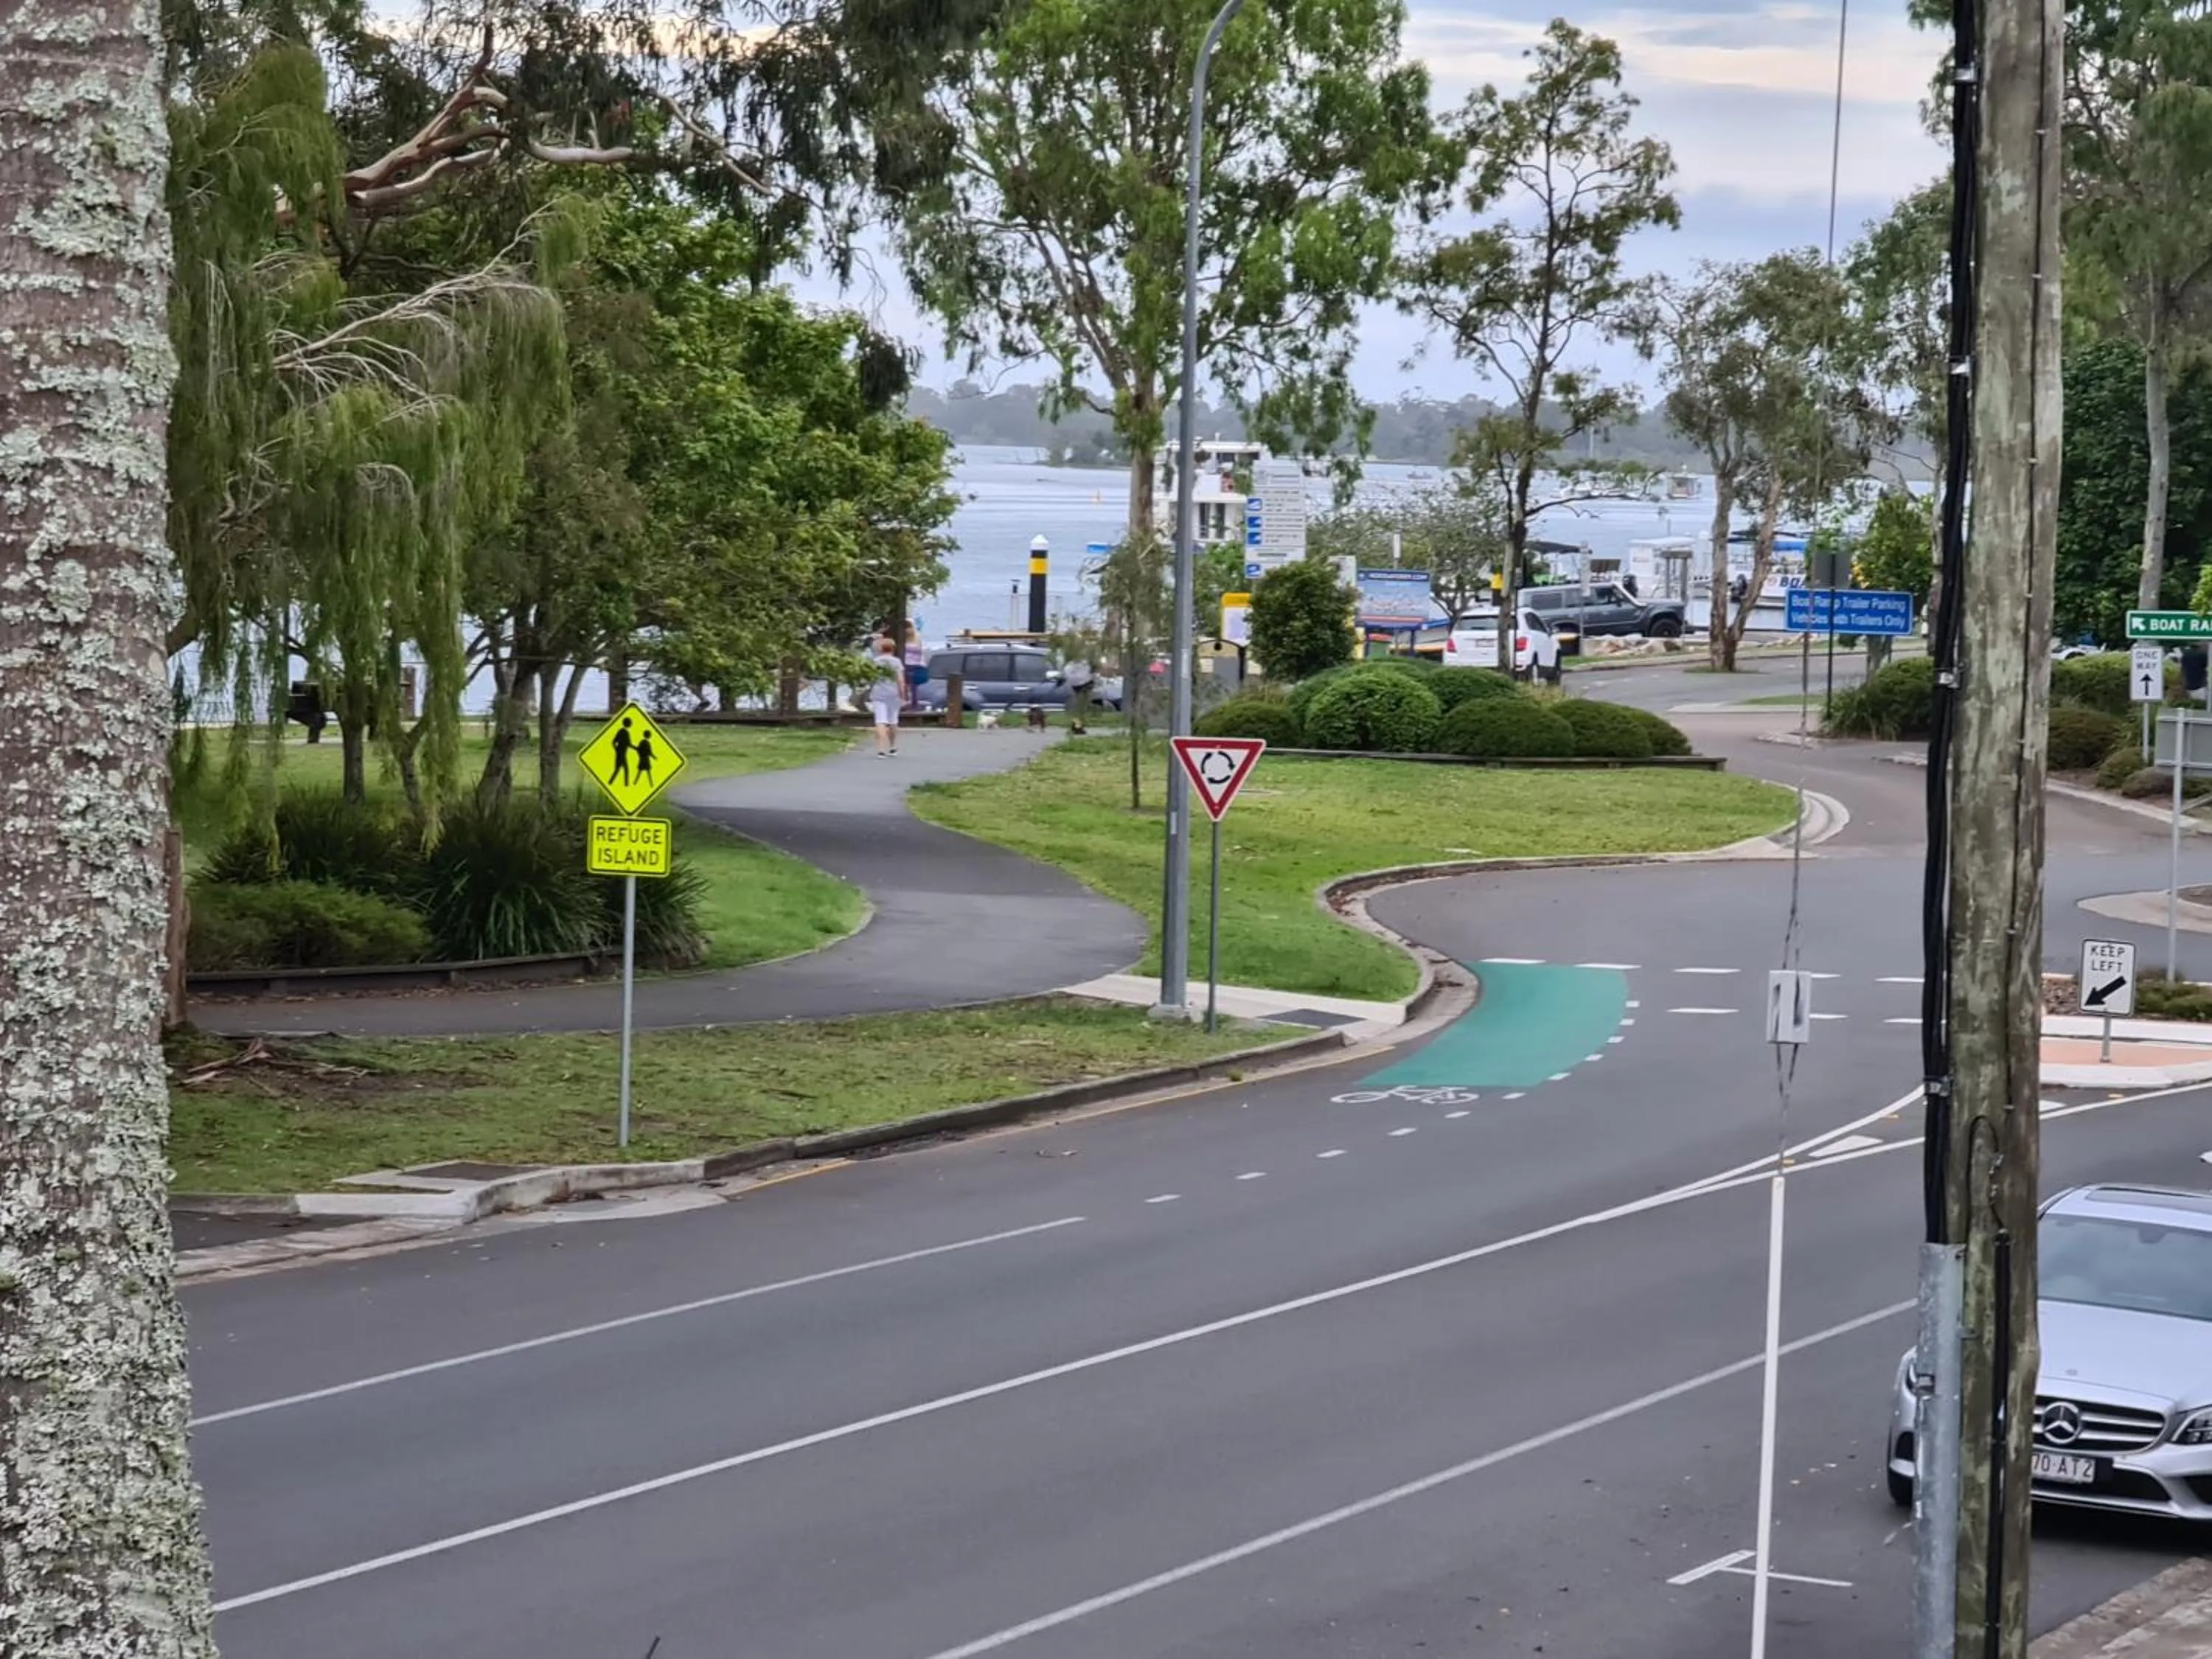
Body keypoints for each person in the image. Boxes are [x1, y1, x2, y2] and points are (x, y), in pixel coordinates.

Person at [868, 633, 904, 756]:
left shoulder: (875, 662)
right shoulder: (897, 662)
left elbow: (871, 679)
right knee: (893, 720)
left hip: (878, 693)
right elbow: (900, 680)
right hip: (893, 694)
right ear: (893, 648)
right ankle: (893, 747)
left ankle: (881, 750)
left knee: (880, 721)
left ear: (880, 649)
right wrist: (903, 695)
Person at [1063, 654, 1096, 735]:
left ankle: (1077, 726)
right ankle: (1077, 727)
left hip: (1081, 686)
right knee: (1079, 709)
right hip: (1081, 687)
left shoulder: (1075, 665)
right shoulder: (1075, 666)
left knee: (1080, 709)